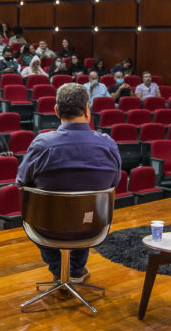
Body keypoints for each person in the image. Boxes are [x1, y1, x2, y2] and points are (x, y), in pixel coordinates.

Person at [16, 83, 121, 282]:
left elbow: (21, 182)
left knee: (44, 208)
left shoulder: (42, 144)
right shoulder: (108, 144)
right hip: (92, 227)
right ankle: (76, 269)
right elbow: (114, 182)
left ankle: (58, 269)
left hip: (45, 228)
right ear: (88, 109)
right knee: (85, 211)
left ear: (56, 111)